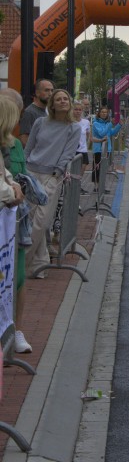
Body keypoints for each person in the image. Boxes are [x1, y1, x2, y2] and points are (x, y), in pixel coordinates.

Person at [24, 88, 80, 278]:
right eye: (58, 99)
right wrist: (23, 170)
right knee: (31, 220)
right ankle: (39, 265)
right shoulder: (40, 122)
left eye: (66, 99)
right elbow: (29, 147)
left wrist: (57, 174)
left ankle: (21, 262)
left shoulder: (74, 127)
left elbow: (68, 153)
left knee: (41, 222)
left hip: (52, 176)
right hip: (31, 173)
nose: (63, 101)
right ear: (53, 104)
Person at [0, 93, 31, 352]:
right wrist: (10, 191)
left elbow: (13, 174)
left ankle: (14, 332)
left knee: (17, 277)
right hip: (6, 218)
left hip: (13, 223)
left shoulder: (13, 143)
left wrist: (14, 185)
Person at [91, 106, 121, 188]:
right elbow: (102, 134)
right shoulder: (95, 124)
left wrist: (119, 125)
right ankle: (96, 186)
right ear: (99, 113)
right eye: (102, 112)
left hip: (107, 149)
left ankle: (102, 186)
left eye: (106, 112)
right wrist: (110, 124)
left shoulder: (107, 124)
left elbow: (112, 133)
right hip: (98, 149)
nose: (104, 114)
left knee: (104, 168)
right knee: (97, 168)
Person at [19, 78, 54, 146]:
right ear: (37, 93)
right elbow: (24, 139)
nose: (50, 94)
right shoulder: (29, 112)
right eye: (46, 90)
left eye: (52, 90)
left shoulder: (48, 110)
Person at [73, 101, 91, 191]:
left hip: (83, 149)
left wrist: (86, 144)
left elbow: (88, 135)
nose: (78, 111)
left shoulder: (86, 122)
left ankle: (78, 185)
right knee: (73, 169)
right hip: (73, 150)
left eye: (80, 110)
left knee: (83, 168)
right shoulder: (70, 122)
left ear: (82, 111)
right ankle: (71, 186)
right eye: (76, 109)